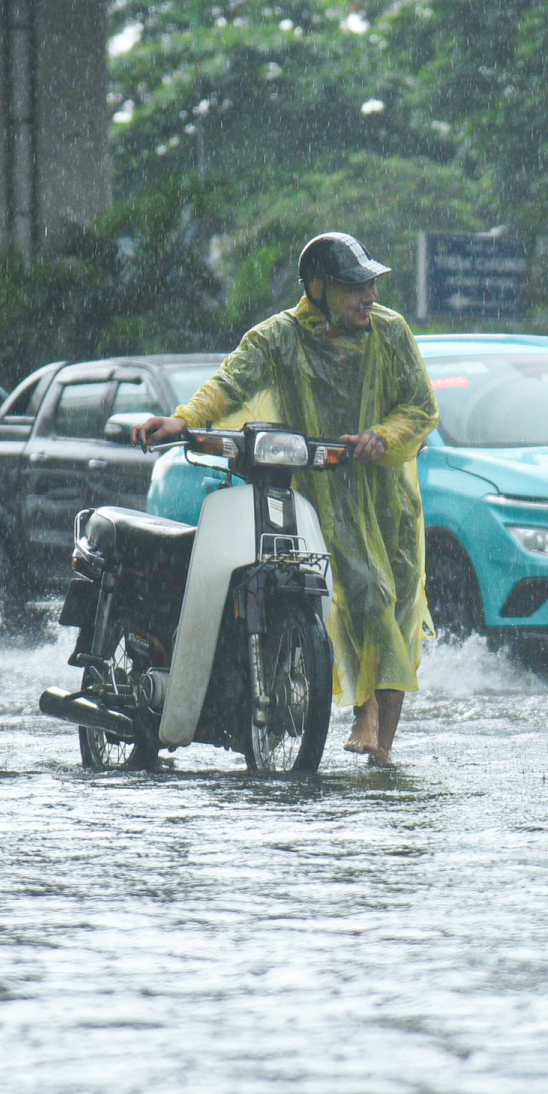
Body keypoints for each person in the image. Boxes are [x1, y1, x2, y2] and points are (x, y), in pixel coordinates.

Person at [131, 232, 439, 767]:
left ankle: (382, 749)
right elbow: (230, 381)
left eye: (370, 285)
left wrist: (382, 437)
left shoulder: (391, 332)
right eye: (353, 288)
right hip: (319, 491)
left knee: (394, 603)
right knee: (359, 591)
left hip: (387, 497)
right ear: (318, 290)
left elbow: (420, 406)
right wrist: (182, 419)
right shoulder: (280, 337)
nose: (368, 296)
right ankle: (361, 710)